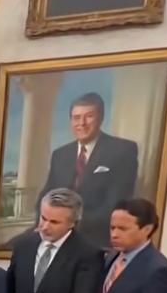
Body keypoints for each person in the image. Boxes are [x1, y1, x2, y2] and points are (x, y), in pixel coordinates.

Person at [38, 93, 138, 249]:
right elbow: (47, 194)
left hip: (96, 237)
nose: (82, 123)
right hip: (57, 233)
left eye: (89, 116)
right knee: (20, 246)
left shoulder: (123, 150)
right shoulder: (60, 154)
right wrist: (43, 224)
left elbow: (116, 202)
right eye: (76, 118)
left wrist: (68, 225)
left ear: (101, 118)